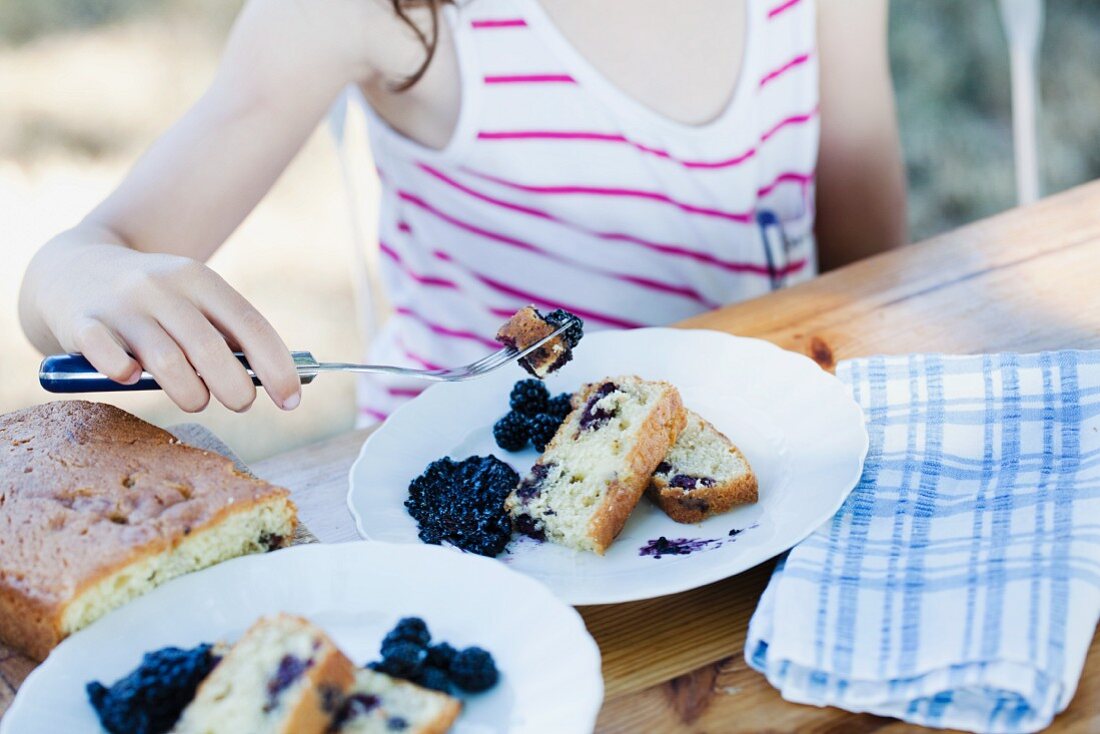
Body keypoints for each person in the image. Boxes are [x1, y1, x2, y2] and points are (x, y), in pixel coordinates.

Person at [18, 0, 906, 421]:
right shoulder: (382, 14)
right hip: (462, 486)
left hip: (748, 448)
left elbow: (870, 276)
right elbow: (82, 260)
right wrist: (87, 277)